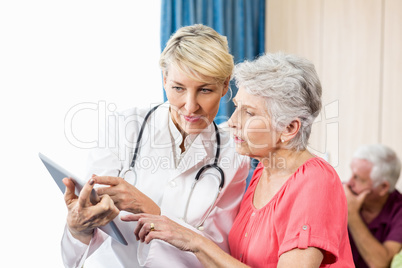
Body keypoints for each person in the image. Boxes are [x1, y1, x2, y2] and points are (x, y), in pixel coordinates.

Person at [122, 52, 355, 267]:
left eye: (250, 113)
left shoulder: (316, 182)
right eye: (237, 107)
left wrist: (194, 240)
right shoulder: (262, 172)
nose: (232, 121)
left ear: (289, 128)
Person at [61, 24, 250, 268]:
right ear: (164, 80)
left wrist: (150, 209)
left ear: (225, 86)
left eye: (205, 90)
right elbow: (80, 246)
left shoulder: (233, 155)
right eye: (178, 88)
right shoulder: (123, 128)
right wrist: (78, 229)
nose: (190, 106)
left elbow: (214, 255)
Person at [343, 144, 402, 268]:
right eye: (352, 174)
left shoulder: (399, 210)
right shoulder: (344, 191)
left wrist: (352, 215)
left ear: (383, 187)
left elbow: (381, 264)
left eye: (358, 178)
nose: (349, 182)